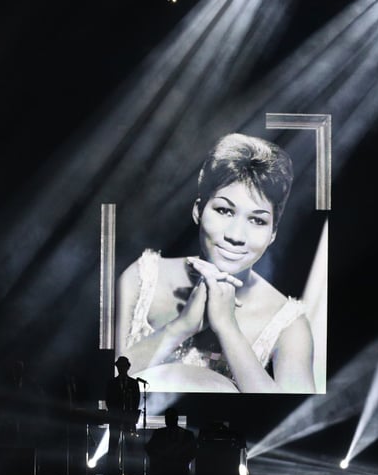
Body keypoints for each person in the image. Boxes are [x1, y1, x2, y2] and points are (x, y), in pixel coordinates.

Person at [116, 133, 315, 393]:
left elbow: (295, 420)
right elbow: (106, 387)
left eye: (257, 220)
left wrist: (227, 327)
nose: (235, 236)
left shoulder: (290, 325)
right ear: (199, 210)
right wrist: (182, 326)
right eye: (224, 210)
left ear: (273, 234)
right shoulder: (142, 278)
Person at [104, 356, 141, 475]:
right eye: (119, 366)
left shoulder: (134, 383)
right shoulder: (111, 383)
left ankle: (130, 473)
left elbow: (136, 400)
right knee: (113, 445)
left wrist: (130, 414)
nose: (121, 368)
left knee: (130, 447)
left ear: (128, 367)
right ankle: (111, 472)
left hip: (129, 420)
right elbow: (108, 400)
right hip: (115, 418)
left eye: (124, 366)